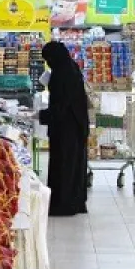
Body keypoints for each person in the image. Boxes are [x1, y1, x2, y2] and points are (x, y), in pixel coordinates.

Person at [38, 41, 90, 216]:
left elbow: (62, 105)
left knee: (64, 164)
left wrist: (41, 115)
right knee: (74, 164)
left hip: (67, 127)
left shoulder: (63, 74)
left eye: (49, 59)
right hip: (76, 124)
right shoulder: (69, 68)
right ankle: (75, 201)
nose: (48, 63)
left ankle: (64, 205)